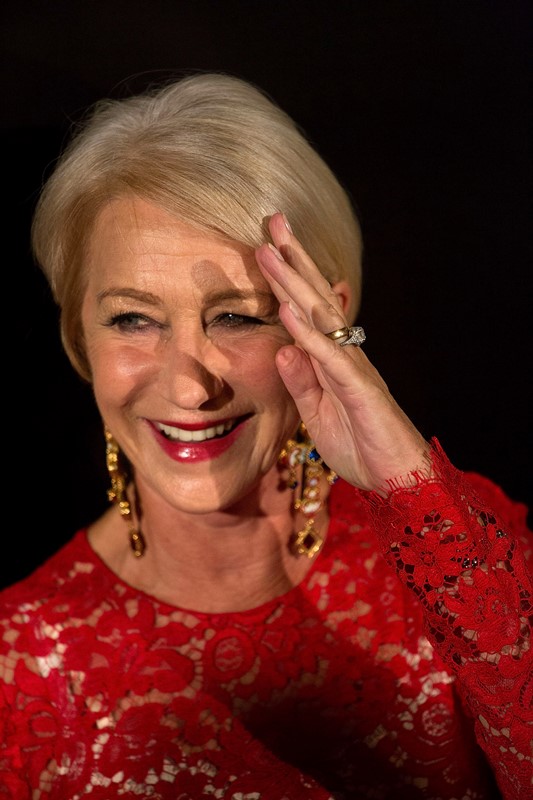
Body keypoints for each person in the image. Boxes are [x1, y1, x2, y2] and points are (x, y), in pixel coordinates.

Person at [0, 71, 530, 800]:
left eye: (237, 316)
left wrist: (412, 490)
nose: (191, 388)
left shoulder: (460, 550)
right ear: (77, 338)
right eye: (133, 319)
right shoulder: (20, 663)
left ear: (324, 322)